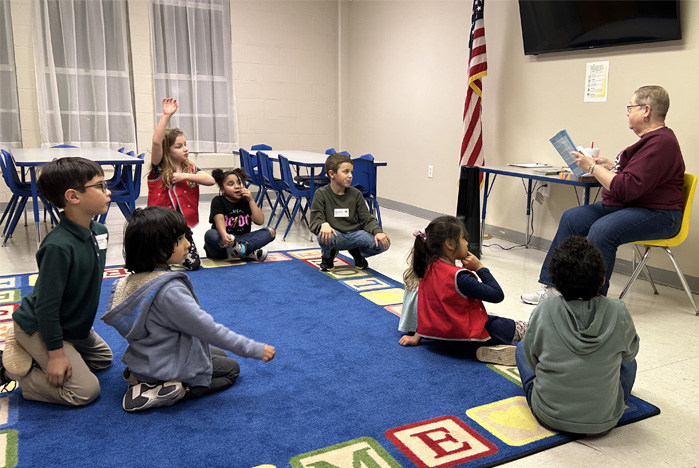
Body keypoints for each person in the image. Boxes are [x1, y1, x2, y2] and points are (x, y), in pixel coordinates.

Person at [101, 207, 276, 412]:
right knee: (231, 370)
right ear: (158, 248)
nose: (188, 244)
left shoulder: (133, 281)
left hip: (149, 354)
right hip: (165, 363)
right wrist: (254, 349)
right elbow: (208, 330)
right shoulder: (168, 291)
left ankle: (142, 376)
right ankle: (174, 390)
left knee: (218, 354)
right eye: (180, 239)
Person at [522, 85, 685, 304]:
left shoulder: (661, 143)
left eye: (631, 107)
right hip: (632, 206)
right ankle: (554, 288)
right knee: (572, 218)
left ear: (646, 110)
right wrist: (609, 165)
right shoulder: (651, 141)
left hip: (660, 214)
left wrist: (592, 167)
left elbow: (627, 188)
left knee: (603, 230)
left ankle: (592, 301)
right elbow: (635, 177)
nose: (628, 113)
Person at [0, 157, 113, 406]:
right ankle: (14, 372)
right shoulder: (57, 247)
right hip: (40, 324)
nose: (109, 191)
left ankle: (33, 350)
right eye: (101, 186)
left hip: (72, 325)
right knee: (85, 391)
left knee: (102, 360)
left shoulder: (99, 232)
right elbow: (47, 306)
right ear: (73, 196)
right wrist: (56, 354)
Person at [516, 236, 639, 436]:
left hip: (549, 415)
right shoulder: (619, 310)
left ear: (556, 283)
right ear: (603, 279)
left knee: (522, 347)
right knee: (629, 363)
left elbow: (532, 357)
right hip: (603, 421)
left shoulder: (545, 308)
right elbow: (630, 353)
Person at [400, 216, 526, 365]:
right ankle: (515, 346)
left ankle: (488, 348)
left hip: (441, 341)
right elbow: (497, 295)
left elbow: (427, 309)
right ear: (450, 244)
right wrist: (480, 268)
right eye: (463, 238)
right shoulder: (459, 277)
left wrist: (417, 336)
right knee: (517, 327)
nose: (466, 243)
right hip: (466, 340)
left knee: (488, 316)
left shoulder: (427, 270)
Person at [148, 97, 216, 271]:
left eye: (185, 145)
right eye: (178, 146)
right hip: (161, 227)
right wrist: (166, 115)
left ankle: (177, 249)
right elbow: (156, 142)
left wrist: (185, 176)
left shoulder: (189, 168)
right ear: (167, 150)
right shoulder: (159, 167)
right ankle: (162, 252)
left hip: (181, 228)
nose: (185, 149)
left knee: (194, 265)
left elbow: (210, 180)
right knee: (159, 265)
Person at [309, 153, 390, 271]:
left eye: (351, 172)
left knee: (383, 243)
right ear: (331, 174)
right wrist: (322, 224)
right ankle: (327, 256)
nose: (350, 176)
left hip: (355, 235)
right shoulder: (321, 194)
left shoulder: (356, 194)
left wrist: (378, 232)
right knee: (324, 235)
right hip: (336, 236)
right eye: (346, 172)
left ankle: (358, 253)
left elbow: (367, 219)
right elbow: (315, 222)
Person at [203, 168, 275, 262]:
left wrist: (251, 200)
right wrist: (224, 235)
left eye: (239, 183)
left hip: (243, 240)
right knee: (210, 234)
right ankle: (246, 253)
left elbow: (260, 221)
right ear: (222, 189)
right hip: (224, 241)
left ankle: (242, 250)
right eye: (231, 184)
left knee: (270, 232)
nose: (237, 186)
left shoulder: (246, 200)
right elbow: (219, 219)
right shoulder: (218, 200)